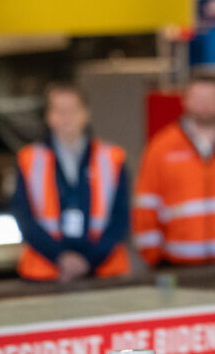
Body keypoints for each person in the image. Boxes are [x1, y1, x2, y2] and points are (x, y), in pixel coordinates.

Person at [133, 76, 215, 266]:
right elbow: (145, 204)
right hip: (177, 264)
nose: (205, 106)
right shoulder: (161, 148)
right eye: (198, 99)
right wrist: (153, 257)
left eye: (211, 99)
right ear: (184, 100)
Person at [11, 82, 130, 282]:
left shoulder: (112, 157)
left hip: (102, 270)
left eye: (73, 110)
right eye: (59, 110)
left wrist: (88, 260)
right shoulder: (28, 159)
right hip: (45, 272)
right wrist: (60, 257)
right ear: (48, 116)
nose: (66, 117)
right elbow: (23, 215)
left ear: (86, 113)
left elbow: (121, 217)